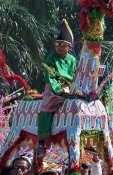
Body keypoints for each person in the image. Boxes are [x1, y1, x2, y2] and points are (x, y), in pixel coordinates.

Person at [37, 19, 77, 157]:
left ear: (69, 47)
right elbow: (51, 76)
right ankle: (41, 142)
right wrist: (60, 89)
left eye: (63, 45)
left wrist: (73, 88)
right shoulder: (51, 58)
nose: (59, 47)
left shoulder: (72, 60)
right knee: (46, 107)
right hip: (53, 86)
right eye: (58, 44)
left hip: (70, 88)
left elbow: (75, 74)